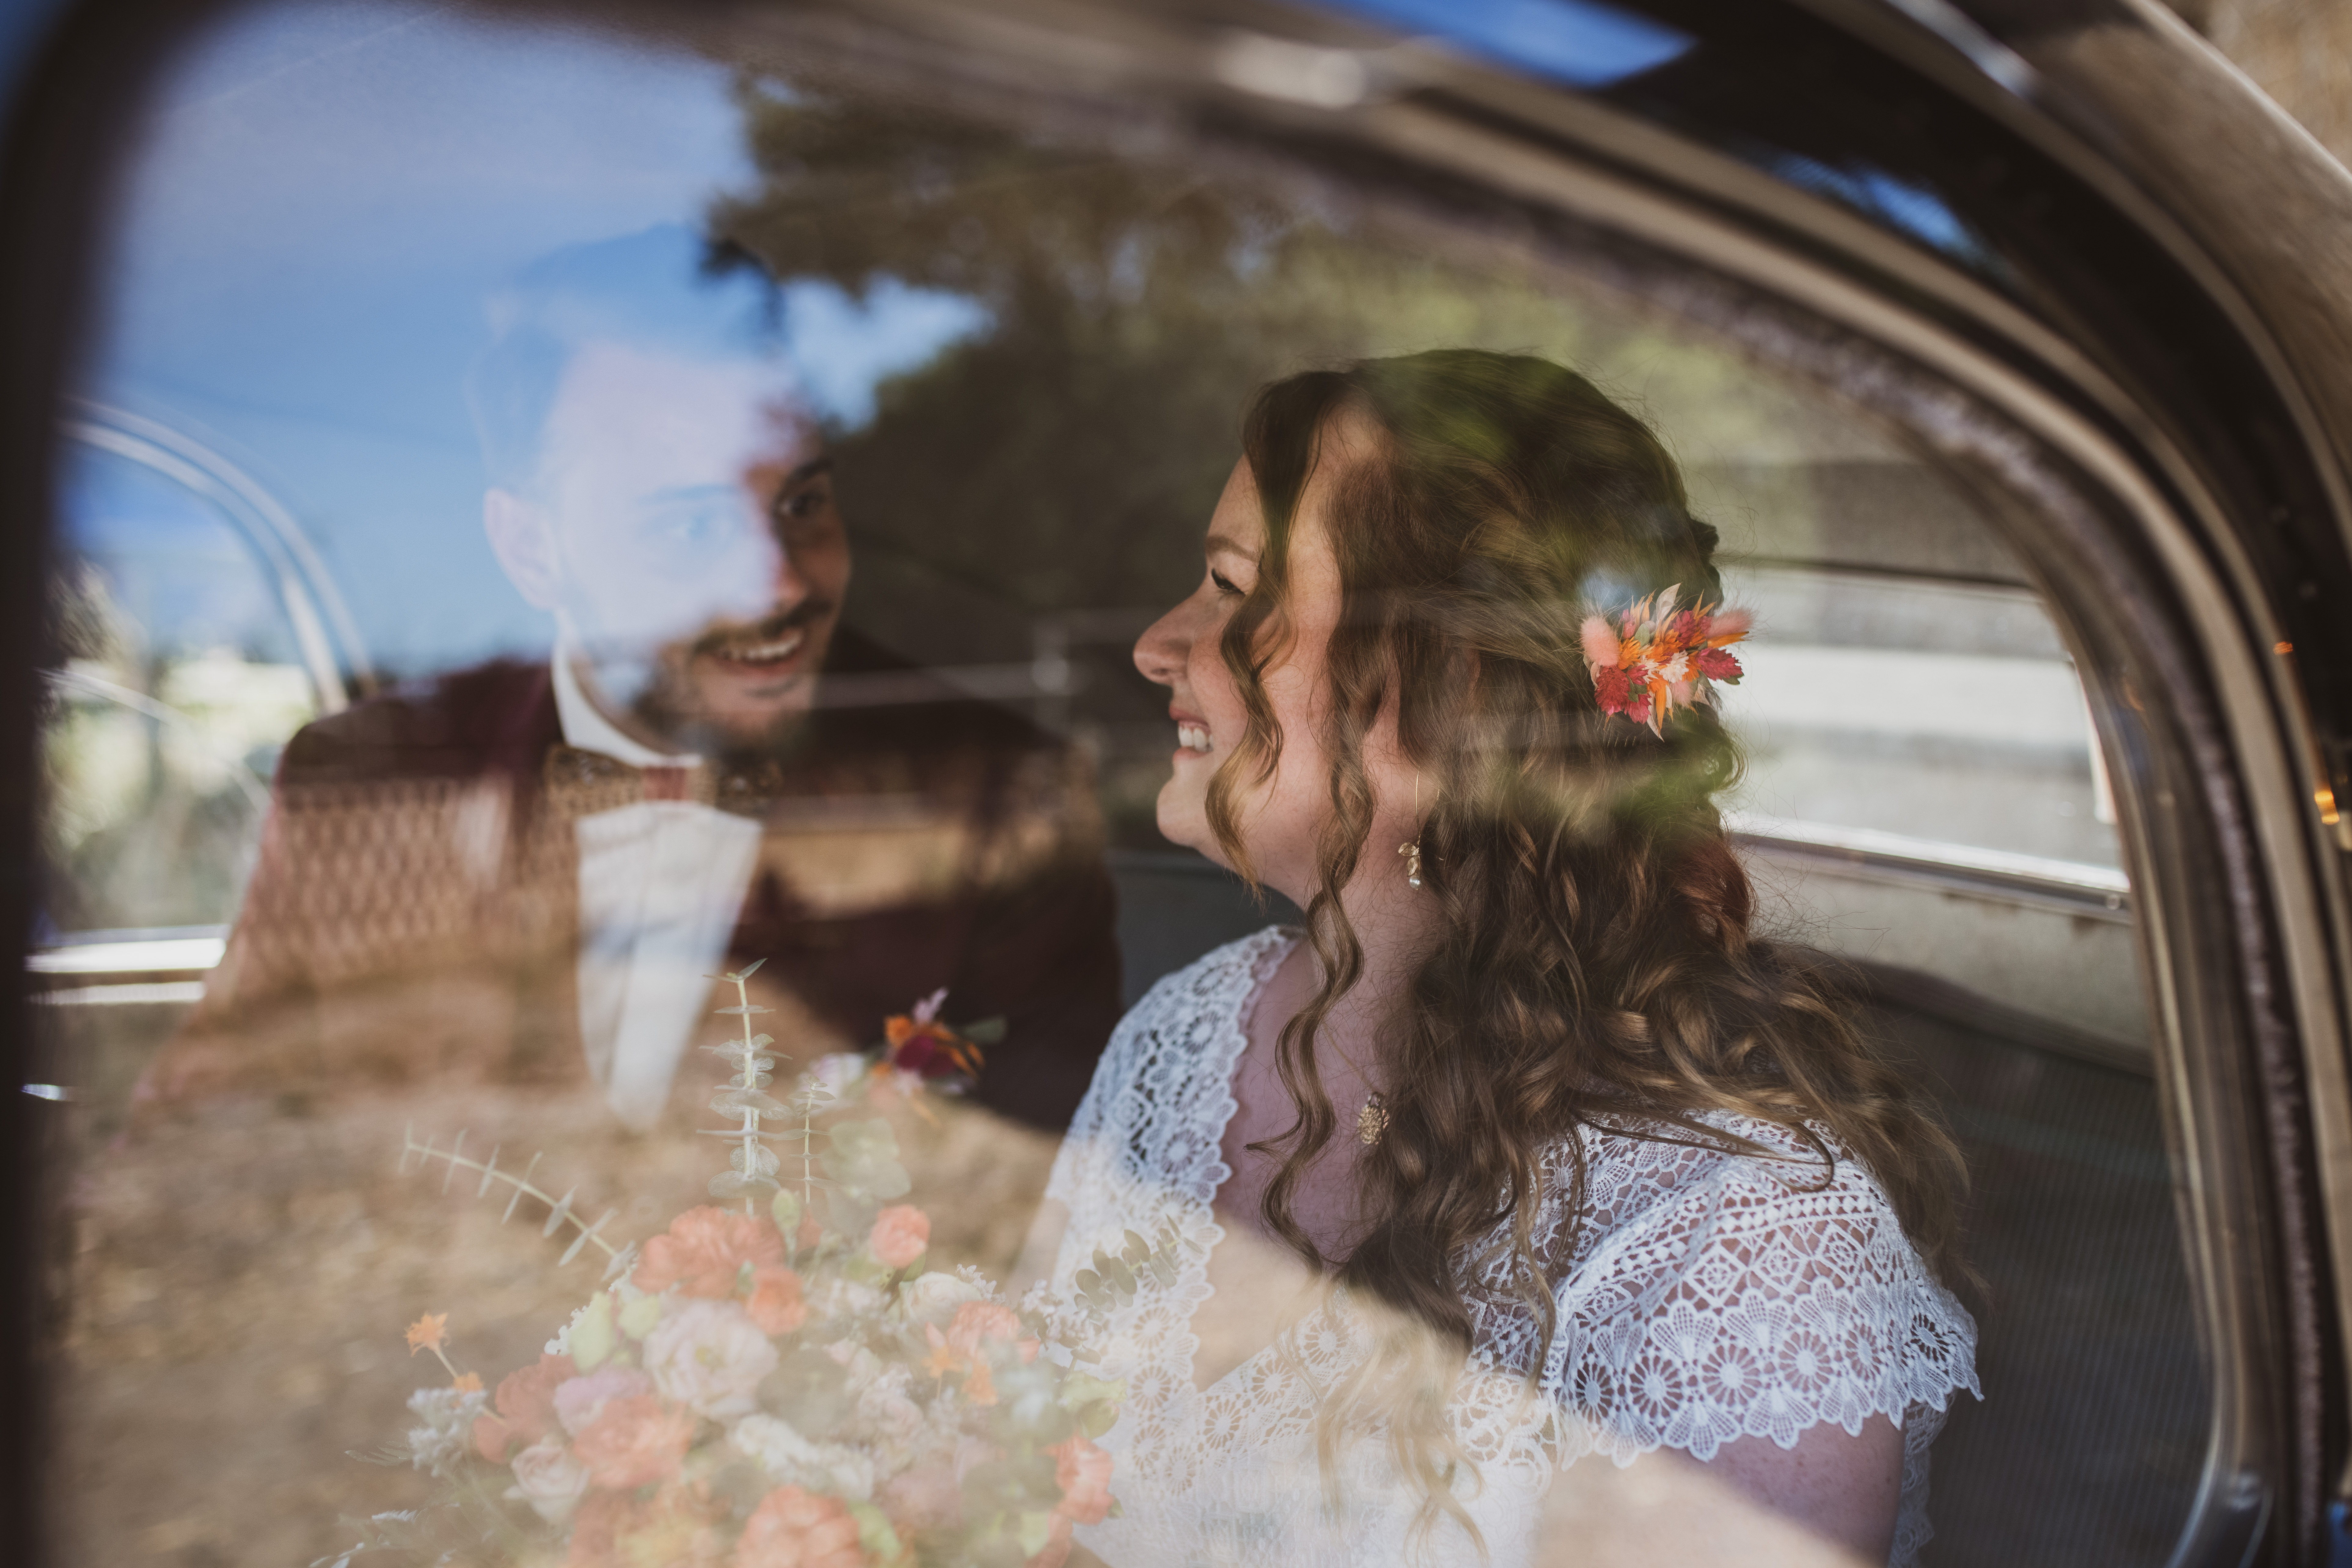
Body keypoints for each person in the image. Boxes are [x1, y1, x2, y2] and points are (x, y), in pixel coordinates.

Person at [1025, 351, 1977, 1566]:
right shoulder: (1182, 1037)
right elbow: (1021, 1474)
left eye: (1228, 589)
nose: (1161, 644)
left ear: (1449, 691)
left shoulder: (1741, 1248)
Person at [139, 227, 1122, 1133]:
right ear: (532, 551)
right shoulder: (367, 783)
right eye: (691, 526)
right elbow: (193, 1146)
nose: (780, 582)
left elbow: (1050, 1213)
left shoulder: (1000, 802)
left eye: (803, 501)